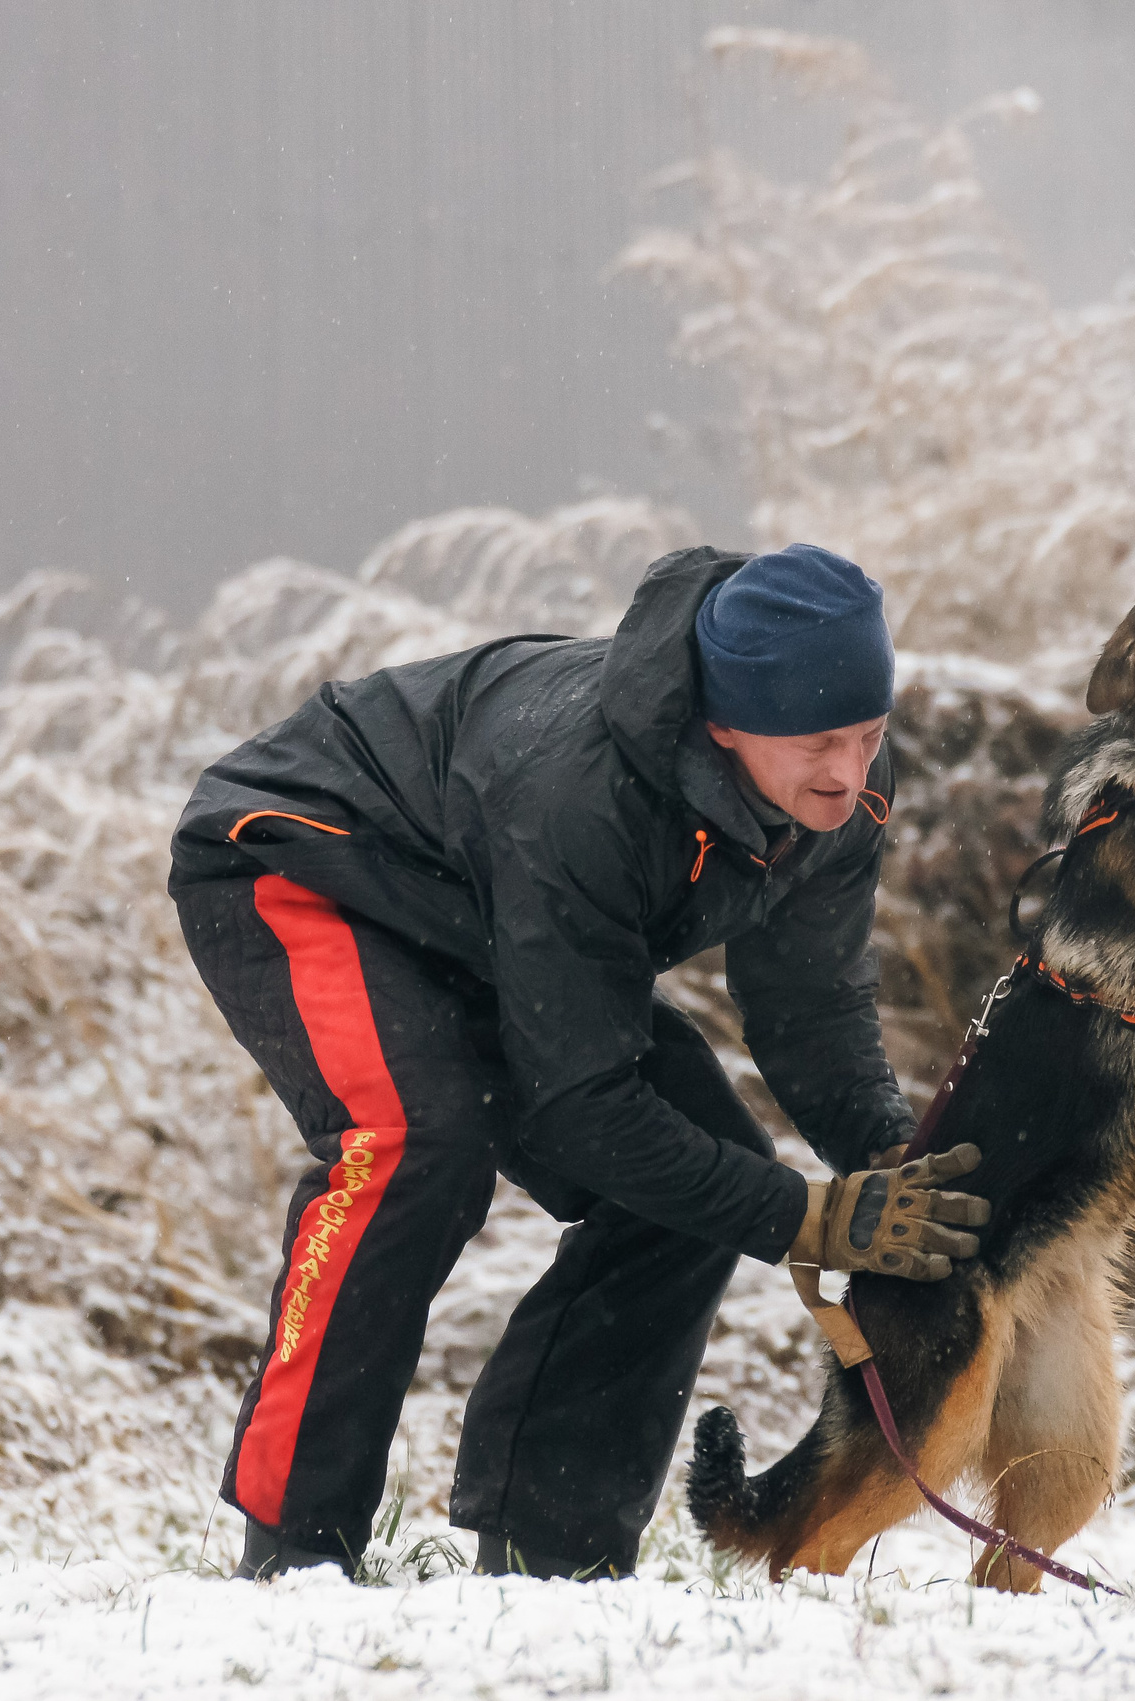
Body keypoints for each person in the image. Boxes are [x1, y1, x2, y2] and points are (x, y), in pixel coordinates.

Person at [167, 542, 988, 1582]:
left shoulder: (840, 787)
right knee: (418, 1147)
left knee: (691, 1177)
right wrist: (805, 1219)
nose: (848, 771)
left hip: (481, 912)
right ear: (725, 724)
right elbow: (585, 1108)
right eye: (819, 743)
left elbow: (809, 1007)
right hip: (297, 859)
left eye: (869, 734)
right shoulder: (584, 793)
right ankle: (296, 1550)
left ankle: (552, 1553)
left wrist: (884, 1163)